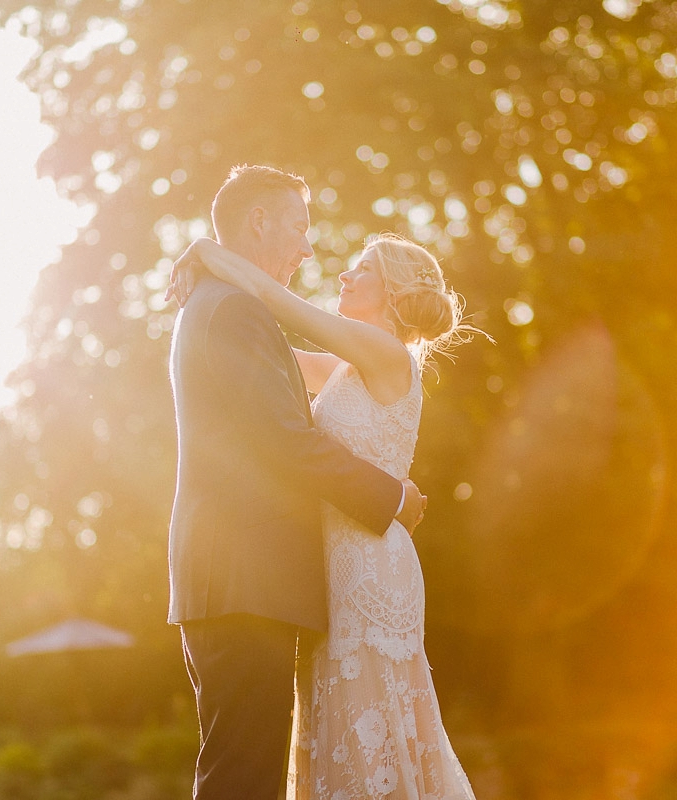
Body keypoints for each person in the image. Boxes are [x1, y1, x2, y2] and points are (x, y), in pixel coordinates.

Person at [170, 217, 480, 798]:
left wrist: (207, 251)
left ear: (391, 290)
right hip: (328, 567)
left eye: (361, 269)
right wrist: (202, 305)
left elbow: (277, 303)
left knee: (370, 722)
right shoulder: (345, 367)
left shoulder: (385, 351)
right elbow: (262, 352)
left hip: (368, 563)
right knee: (333, 722)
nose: (344, 271)